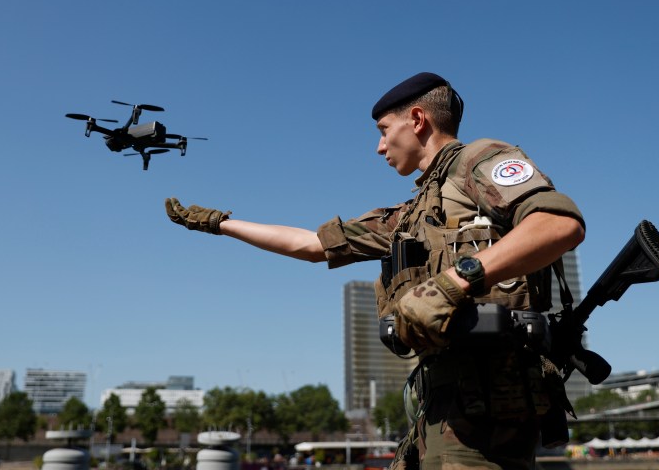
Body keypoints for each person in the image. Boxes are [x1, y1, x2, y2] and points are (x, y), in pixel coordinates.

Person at [165, 72, 585, 470]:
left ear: (417, 120)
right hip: (442, 401)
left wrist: (453, 283)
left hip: (492, 399)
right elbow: (312, 245)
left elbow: (559, 223)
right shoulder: (410, 215)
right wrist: (220, 223)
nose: (380, 147)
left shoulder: (478, 160)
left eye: (384, 130)